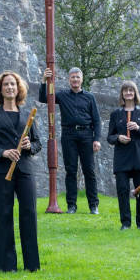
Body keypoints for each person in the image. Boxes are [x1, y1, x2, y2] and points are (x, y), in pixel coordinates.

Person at [0, 71, 42, 272]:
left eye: (13, 84)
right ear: (0, 89)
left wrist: (29, 145)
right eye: (6, 84)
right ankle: (7, 266)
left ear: (18, 88)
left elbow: (38, 143)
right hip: (0, 171)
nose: (10, 88)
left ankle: (32, 265)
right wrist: (3, 152)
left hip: (25, 170)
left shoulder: (27, 115)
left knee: (29, 214)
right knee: (4, 214)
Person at [39, 67, 101, 214]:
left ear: (82, 79)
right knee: (71, 171)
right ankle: (71, 206)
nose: (75, 80)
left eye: (77, 77)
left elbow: (97, 121)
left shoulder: (89, 97)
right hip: (69, 135)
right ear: (69, 79)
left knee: (89, 171)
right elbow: (44, 98)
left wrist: (96, 139)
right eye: (72, 77)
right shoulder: (62, 95)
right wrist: (44, 81)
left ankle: (93, 205)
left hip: (86, 135)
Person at [107, 81, 140, 230]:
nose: (128, 93)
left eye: (131, 90)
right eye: (125, 91)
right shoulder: (116, 114)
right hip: (122, 157)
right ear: (122, 94)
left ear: (135, 93)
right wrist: (118, 138)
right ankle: (125, 223)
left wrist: (139, 128)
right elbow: (110, 137)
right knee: (122, 190)